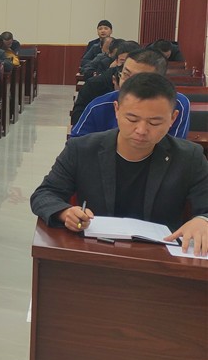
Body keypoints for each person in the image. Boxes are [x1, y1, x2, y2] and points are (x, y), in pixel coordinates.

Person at [31, 73, 208, 255]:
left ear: (173, 118)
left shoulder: (190, 157)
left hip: (160, 257)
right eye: (132, 119)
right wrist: (65, 212)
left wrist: (203, 221)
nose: (141, 130)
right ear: (116, 110)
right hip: (95, 253)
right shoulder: (81, 149)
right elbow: (44, 194)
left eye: (154, 122)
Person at [71, 49, 191, 138]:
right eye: (126, 74)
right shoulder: (99, 105)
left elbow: (174, 150)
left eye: (140, 78)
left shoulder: (176, 104)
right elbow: (76, 145)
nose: (129, 83)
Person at [70, 41, 140, 125]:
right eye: (123, 62)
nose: (126, 66)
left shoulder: (146, 84)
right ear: (116, 61)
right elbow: (78, 119)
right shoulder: (95, 84)